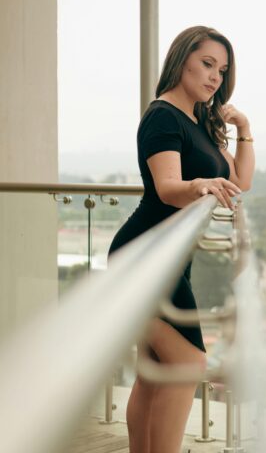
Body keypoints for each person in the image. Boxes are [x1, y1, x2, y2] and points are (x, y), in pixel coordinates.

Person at [108, 25, 254, 453]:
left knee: (155, 371)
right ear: (181, 59)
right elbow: (168, 187)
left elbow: (239, 180)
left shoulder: (198, 120)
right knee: (189, 364)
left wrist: (243, 125)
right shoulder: (162, 116)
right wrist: (200, 185)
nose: (215, 77)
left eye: (222, 70)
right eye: (207, 64)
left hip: (171, 255)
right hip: (144, 254)